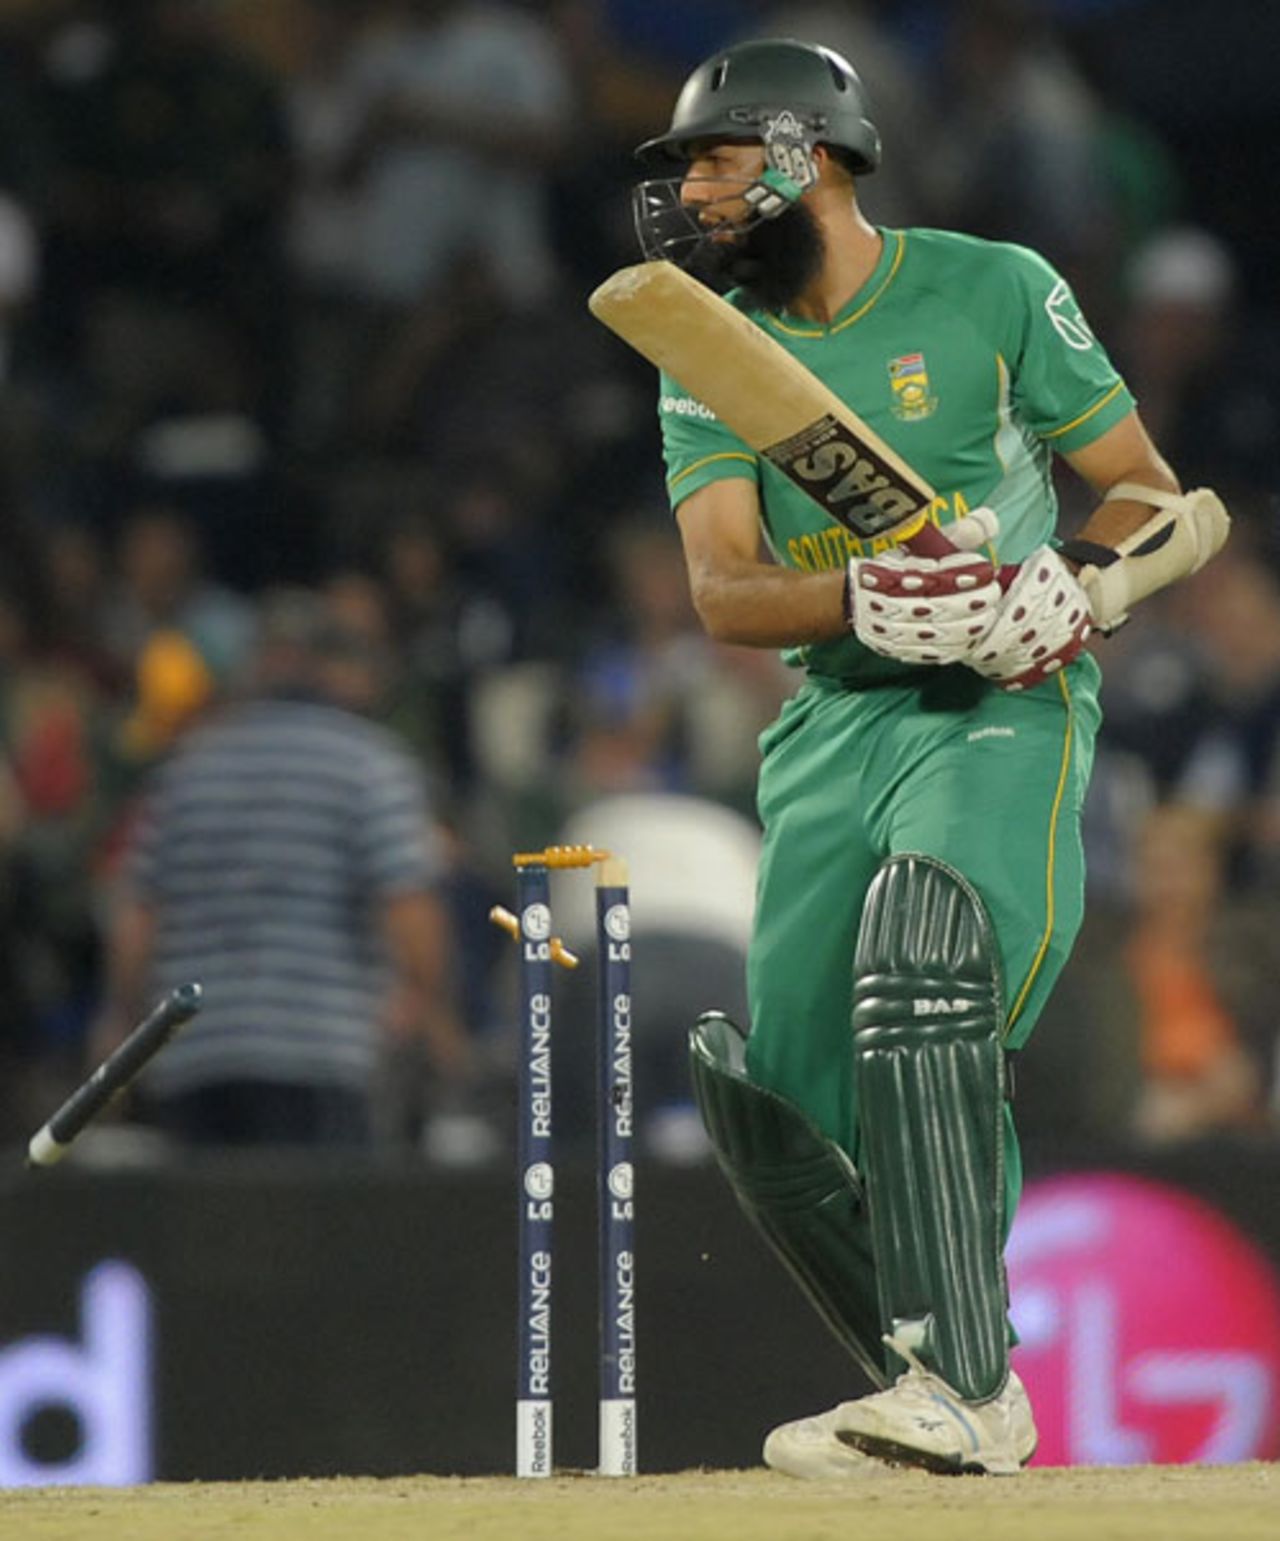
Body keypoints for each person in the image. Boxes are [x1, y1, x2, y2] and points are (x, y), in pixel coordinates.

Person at [629, 37, 1230, 1476]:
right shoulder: (710, 352)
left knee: (926, 946)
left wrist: (1073, 582)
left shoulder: (992, 286)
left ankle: (956, 1382)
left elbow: (1152, 494)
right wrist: (863, 595)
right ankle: (952, 1383)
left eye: (717, 160)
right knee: (775, 1109)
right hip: (835, 718)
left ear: (806, 155)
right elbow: (723, 589)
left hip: (997, 707)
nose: (693, 195)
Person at [93, 588, 474, 1150]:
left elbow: (138, 915)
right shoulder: (369, 765)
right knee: (310, 1209)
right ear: (327, 667)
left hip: (197, 1054)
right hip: (320, 1050)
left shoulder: (187, 770)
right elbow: (410, 907)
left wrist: (122, 1021)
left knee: (212, 1208)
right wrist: (434, 1015)